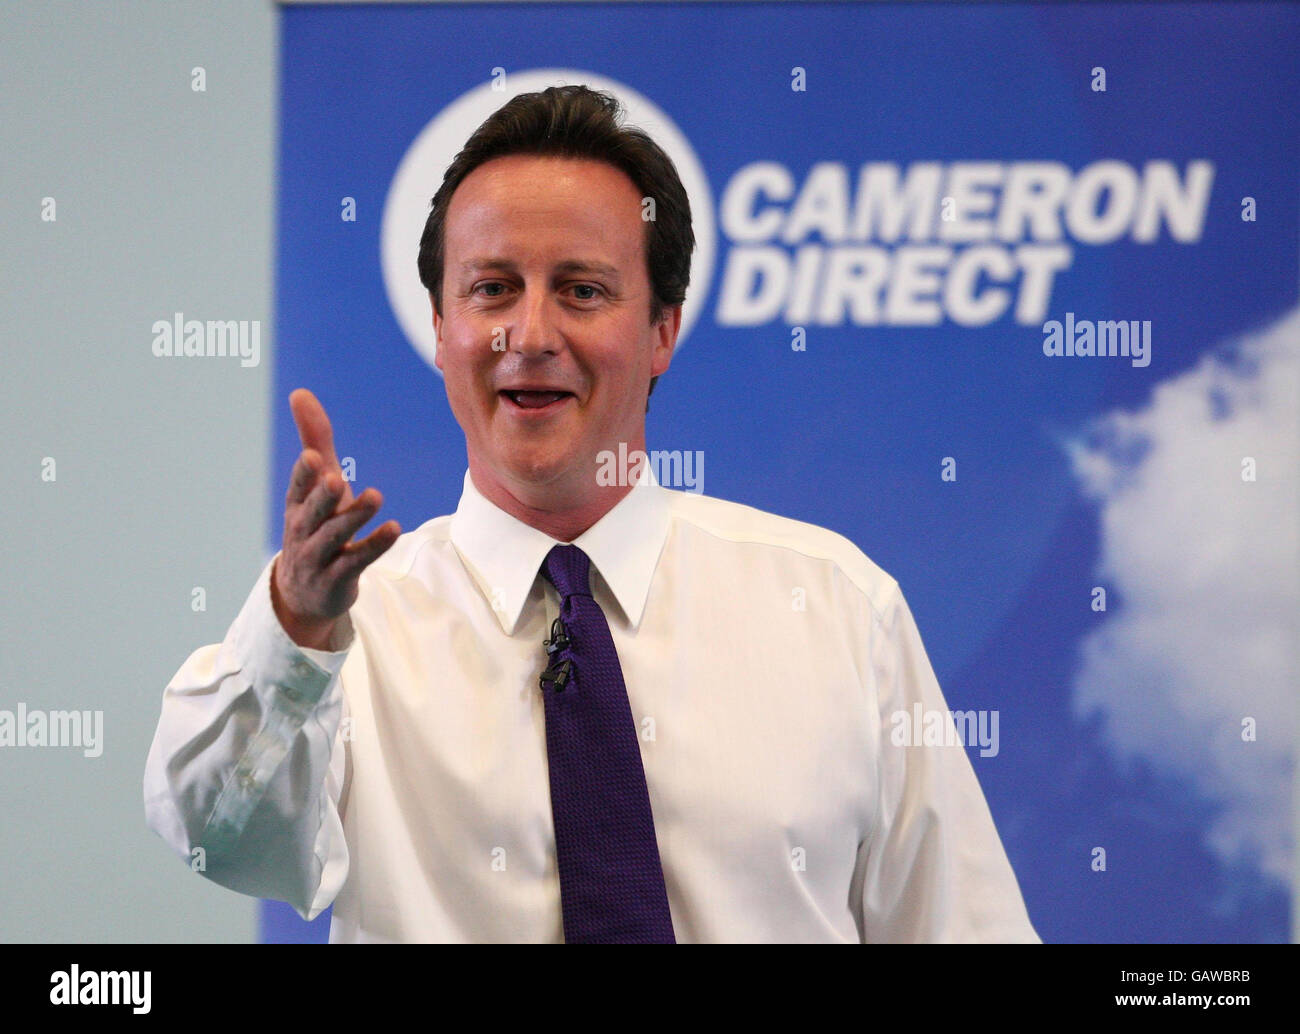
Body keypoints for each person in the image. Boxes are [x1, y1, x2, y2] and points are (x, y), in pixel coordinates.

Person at [144, 84, 1039, 943]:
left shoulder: (838, 606)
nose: (530, 335)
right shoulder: (344, 638)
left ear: (661, 331)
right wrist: (294, 628)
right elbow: (216, 835)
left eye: (581, 290)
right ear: (440, 326)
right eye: (492, 288)